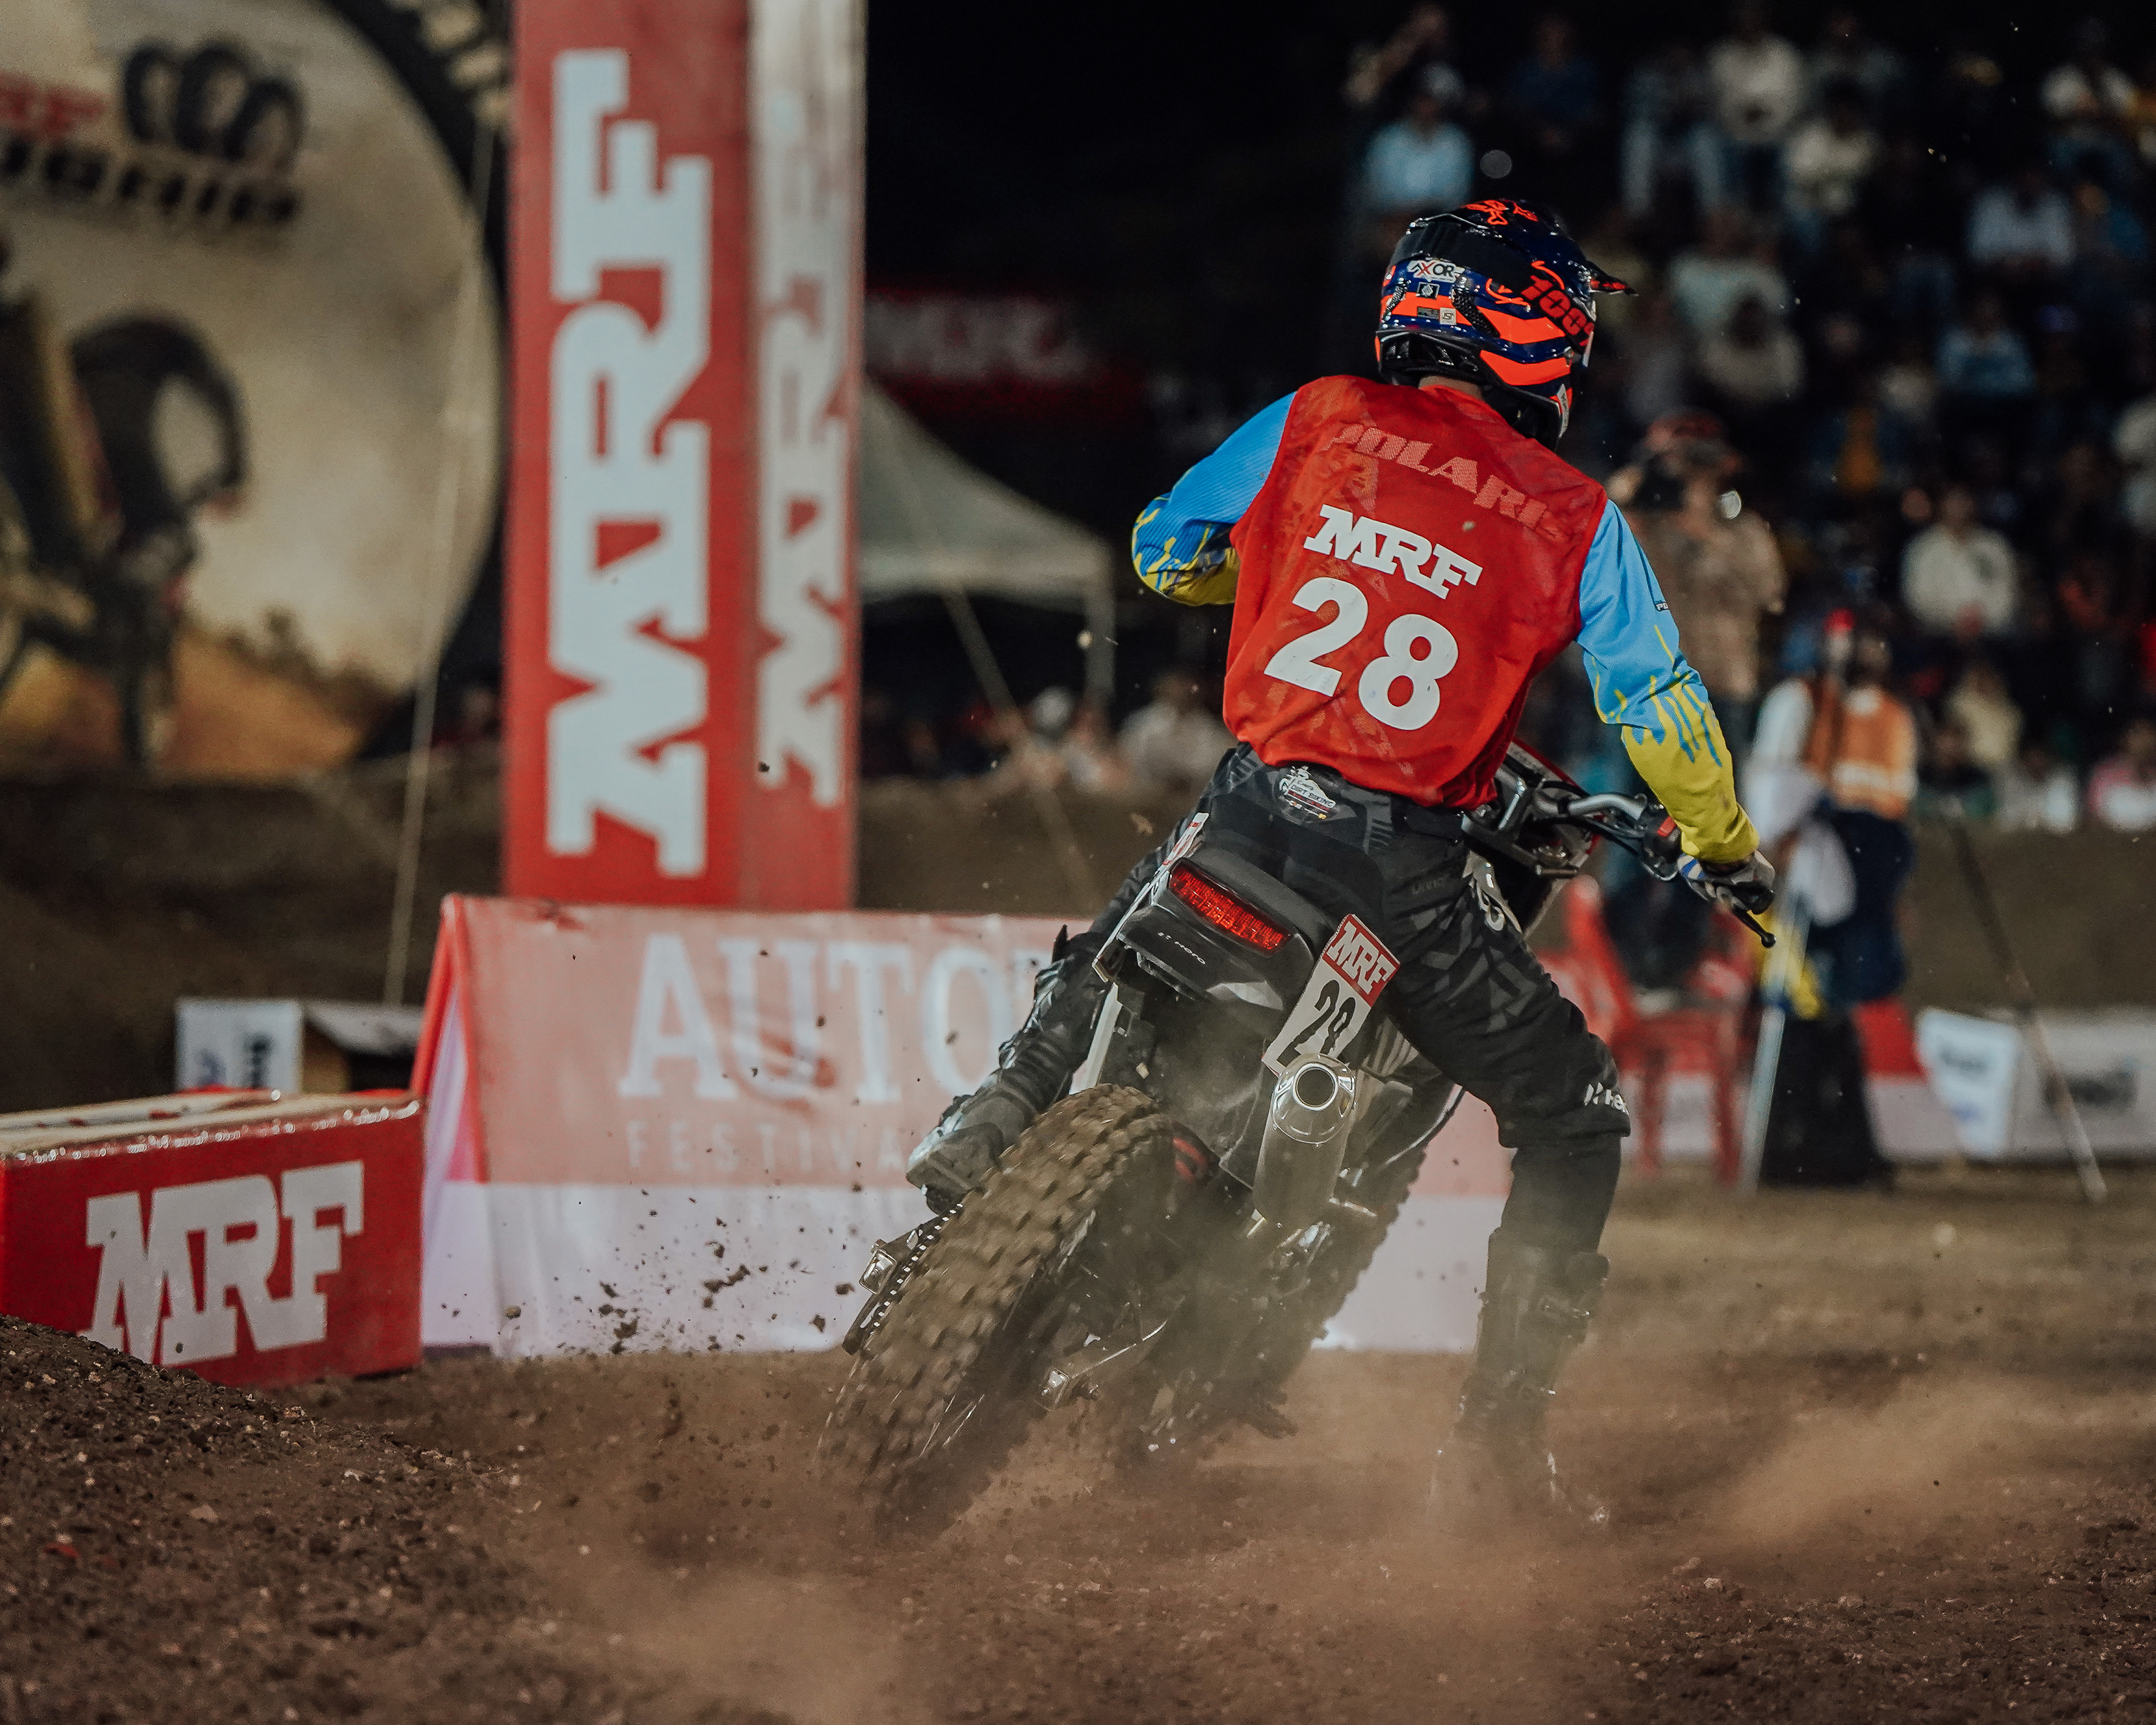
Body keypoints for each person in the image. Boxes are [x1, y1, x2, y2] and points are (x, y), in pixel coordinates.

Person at [907, 200, 1773, 1525]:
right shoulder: (1573, 514)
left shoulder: (1318, 414)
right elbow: (1657, 707)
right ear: (1535, 334)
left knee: (1119, 934)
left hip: (1251, 805)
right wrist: (1723, 846)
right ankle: (1496, 1449)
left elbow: (1164, 549)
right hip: (1400, 868)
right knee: (1575, 1112)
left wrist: (1276, 561)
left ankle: (990, 1116)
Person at [1607, 411, 1785, 765]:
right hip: (1651, 686)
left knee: (1723, 793)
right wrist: (1624, 497)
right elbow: (1601, 571)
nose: (1679, 474)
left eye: (1692, 464)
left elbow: (1771, 594)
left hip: (1724, 685)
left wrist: (1704, 529)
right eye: (1668, 464)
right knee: (1625, 795)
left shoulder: (1744, 530)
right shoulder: (1642, 525)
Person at [1360, 66, 1476, 259]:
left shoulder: (1456, 142)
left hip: (1438, 224)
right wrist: (1402, 218)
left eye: (1433, 100)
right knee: (1389, 242)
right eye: (1423, 99)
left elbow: (1455, 196)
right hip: (1391, 222)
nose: (1427, 106)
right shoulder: (1388, 139)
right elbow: (1379, 192)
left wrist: (1421, 217)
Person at [1705, 0, 1806, 212]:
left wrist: (1765, 114)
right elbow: (1717, 104)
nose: (1749, 24)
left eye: (1755, 17)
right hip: (1736, 136)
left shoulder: (1785, 55)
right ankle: (1736, 216)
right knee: (1718, 147)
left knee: (1793, 152)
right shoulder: (1721, 56)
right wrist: (1743, 114)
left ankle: (1781, 217)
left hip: (1778, 135)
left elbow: (1794, 103)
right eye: (1744, 18)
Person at [1901, 484, 2019, 638]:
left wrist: (1980, 619)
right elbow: (1917, 597)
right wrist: (1952, 618)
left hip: (1990, 635)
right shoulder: (1923, 547)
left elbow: (2007, 592)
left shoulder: (1994, 545)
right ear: (1941, 505)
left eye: (1963, 501)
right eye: (1952, 502)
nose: (1958, 508)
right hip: (1938, 636)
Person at [2088, 713, 2156, 830]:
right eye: (2137, 733)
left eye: (2149, 733)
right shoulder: (2105, 774)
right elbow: (2094, 817)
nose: (2144, 740)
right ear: (2124, 738)